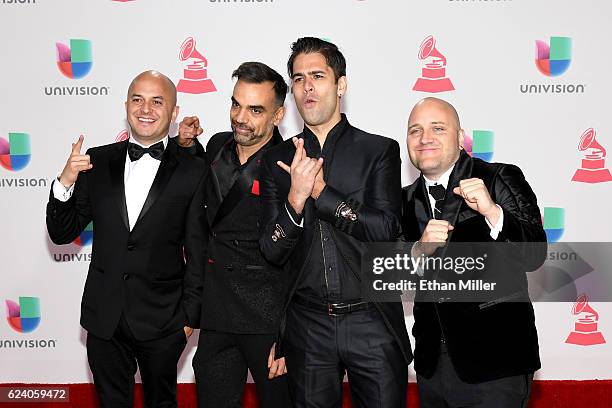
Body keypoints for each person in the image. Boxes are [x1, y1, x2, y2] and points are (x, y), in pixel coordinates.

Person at [259, 37, 412, 408]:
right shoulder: (276, 159)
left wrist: (321, 194)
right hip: (307, 327)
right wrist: (295, 199)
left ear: (340, 85)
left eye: (317, 75)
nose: (307, 86)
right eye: (298, 78)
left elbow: (385, 231)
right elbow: (271, 251)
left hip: (372, 320)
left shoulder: (379, 150)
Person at [46, 70, 206, 408]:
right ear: (126, 106)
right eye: (138, 99)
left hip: (164, 320)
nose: (145, 108)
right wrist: (65, 180)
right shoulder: (97, 160)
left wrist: (190, 320)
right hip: (104, 318)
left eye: (157, 101)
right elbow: (62, 233)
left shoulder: (193, 170)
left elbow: (197, 248)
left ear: (174, 113)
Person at [402, 97, 547, 408]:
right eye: (415, 130)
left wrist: (494, 213)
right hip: (431, 368)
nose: (425, 138)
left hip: (496, 363)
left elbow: (535, 254)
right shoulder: (401, 200)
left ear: (460, 137)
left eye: (437, 128)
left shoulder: (499, 177)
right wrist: (417, 251)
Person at [176, 61, 292, 408]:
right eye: (236, 104)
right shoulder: (216, 146)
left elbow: (301, 255)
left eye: (255, 109)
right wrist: (184, 147)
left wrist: (289, 335)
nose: (241, 117)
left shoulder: (291, 162)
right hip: (217, 312)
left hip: (268, 319)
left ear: (277, 115)